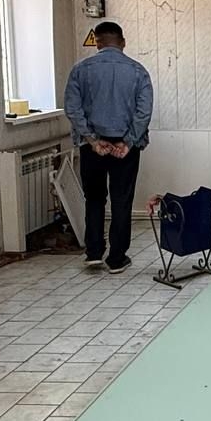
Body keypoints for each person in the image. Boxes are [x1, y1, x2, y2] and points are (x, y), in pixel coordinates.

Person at [63, 21, 153, 274]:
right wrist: (128, 142)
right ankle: (116, 258)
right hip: (125, 147)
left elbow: (72, 108)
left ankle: (93, 252)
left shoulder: (80, 70)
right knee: (121, 200)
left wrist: (92, 140)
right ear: (122, 42)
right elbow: (144, 111)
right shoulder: (138, 72)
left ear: (97, 42)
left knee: (94, 198)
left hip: (93, 147)